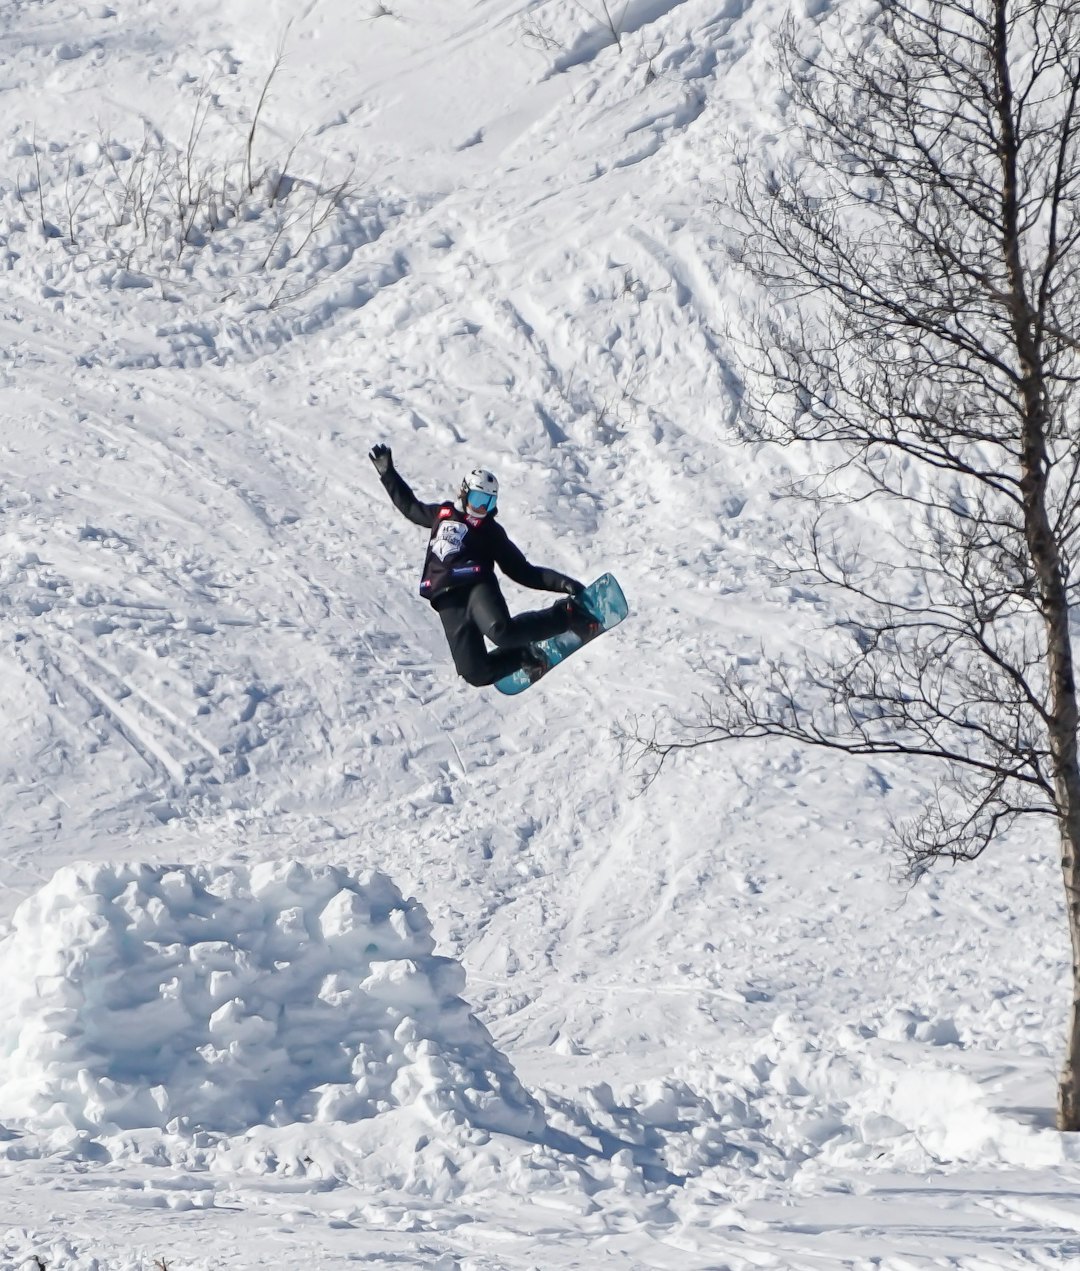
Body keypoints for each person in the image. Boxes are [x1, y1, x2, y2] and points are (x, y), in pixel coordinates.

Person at [369, 444, 598, 686]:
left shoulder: (490, 531)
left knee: (502, 631)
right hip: (445, 598)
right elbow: (410, 507)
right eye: (478, 499)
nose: (481, 508)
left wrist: (563, 583)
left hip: (475, 584)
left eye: (488, 503)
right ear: (464, 494)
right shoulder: (442, 514)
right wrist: (388, 474)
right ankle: (523, 655)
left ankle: (567, 615)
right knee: (475, 673)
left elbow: (523, 570)